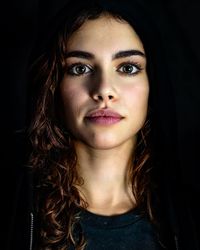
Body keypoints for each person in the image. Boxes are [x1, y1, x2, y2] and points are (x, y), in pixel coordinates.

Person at [17, 1, 199, 250]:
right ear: (54, 86)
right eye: (80, 68)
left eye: (127, 67)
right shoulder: (14, 213)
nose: (104, 90)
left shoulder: (190, 215)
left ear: (153, 85)